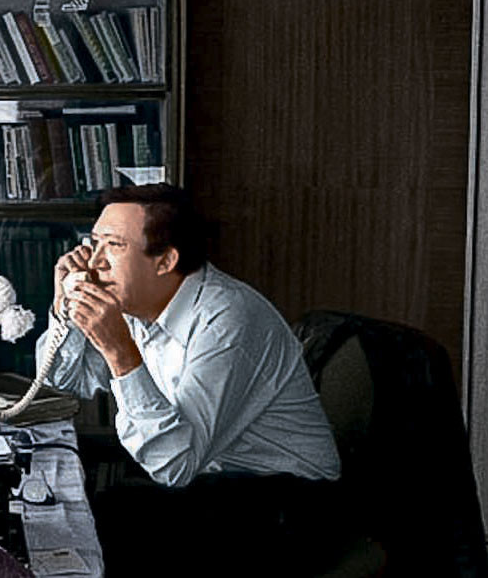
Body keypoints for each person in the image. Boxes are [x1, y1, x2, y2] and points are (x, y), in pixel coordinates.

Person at [36, 183, 343, 575]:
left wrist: (119, 351)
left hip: (292, 503)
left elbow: (175, 466)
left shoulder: (226, 321)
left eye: (114, 245)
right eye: (93, 243)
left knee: (109, 529)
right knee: (80, 517)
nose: (94, 263)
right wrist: (63, 307)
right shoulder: (138, 304)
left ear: (165, 260)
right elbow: (62, 381)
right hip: (214, 480)